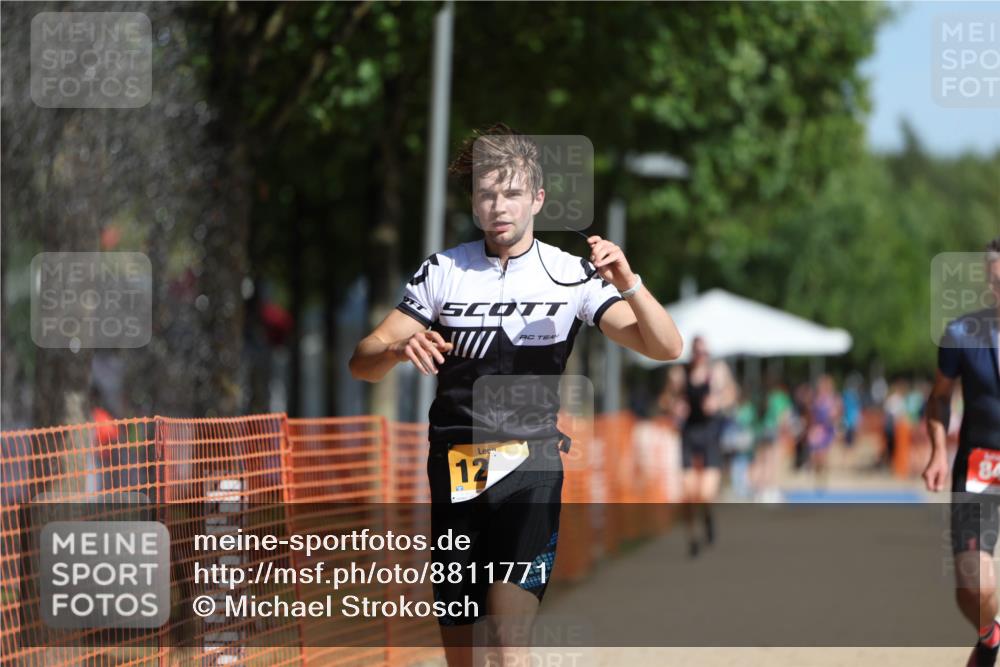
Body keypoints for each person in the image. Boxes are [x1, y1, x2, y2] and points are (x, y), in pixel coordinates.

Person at [349, 124, 682, 666]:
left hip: (531, 465)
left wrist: (629, 281)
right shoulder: (444, 271)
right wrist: (398, 346)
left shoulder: (571, 274)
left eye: (512, 193)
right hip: (456, 467)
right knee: (461, 653)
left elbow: (665, 346)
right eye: (487, 193)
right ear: (475, 202)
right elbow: (362, 362)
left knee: (507, 641)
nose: (499, 205)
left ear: (538, 199)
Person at [923, 237, 1000, 667]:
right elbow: (938, 398)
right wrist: (937, 450)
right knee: (973, 589)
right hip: (982, 463)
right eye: (993, 282)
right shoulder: (960, 333)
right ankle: (991, 636)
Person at [679, 336, 732, 557]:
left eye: (705, 353)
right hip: (690, 435)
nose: (701, 357)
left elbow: (731, 394)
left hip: (710, 436)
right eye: (698, 352)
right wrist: (674, 406)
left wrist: (718, 402)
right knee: (690, 493)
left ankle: (708, 516)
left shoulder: (717, 372)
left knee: (705, 493)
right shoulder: (681, 374)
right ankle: (693, 537)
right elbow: (667, 398)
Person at [807, 374, 840, 489]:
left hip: (827, 429)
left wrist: (834, 422)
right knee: (815, 456)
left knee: (823, 455)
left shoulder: (832, 399)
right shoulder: (816, 399)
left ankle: (822, 479)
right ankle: (818, 474)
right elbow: (811, 415)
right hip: (818, 428)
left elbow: (836, 415)